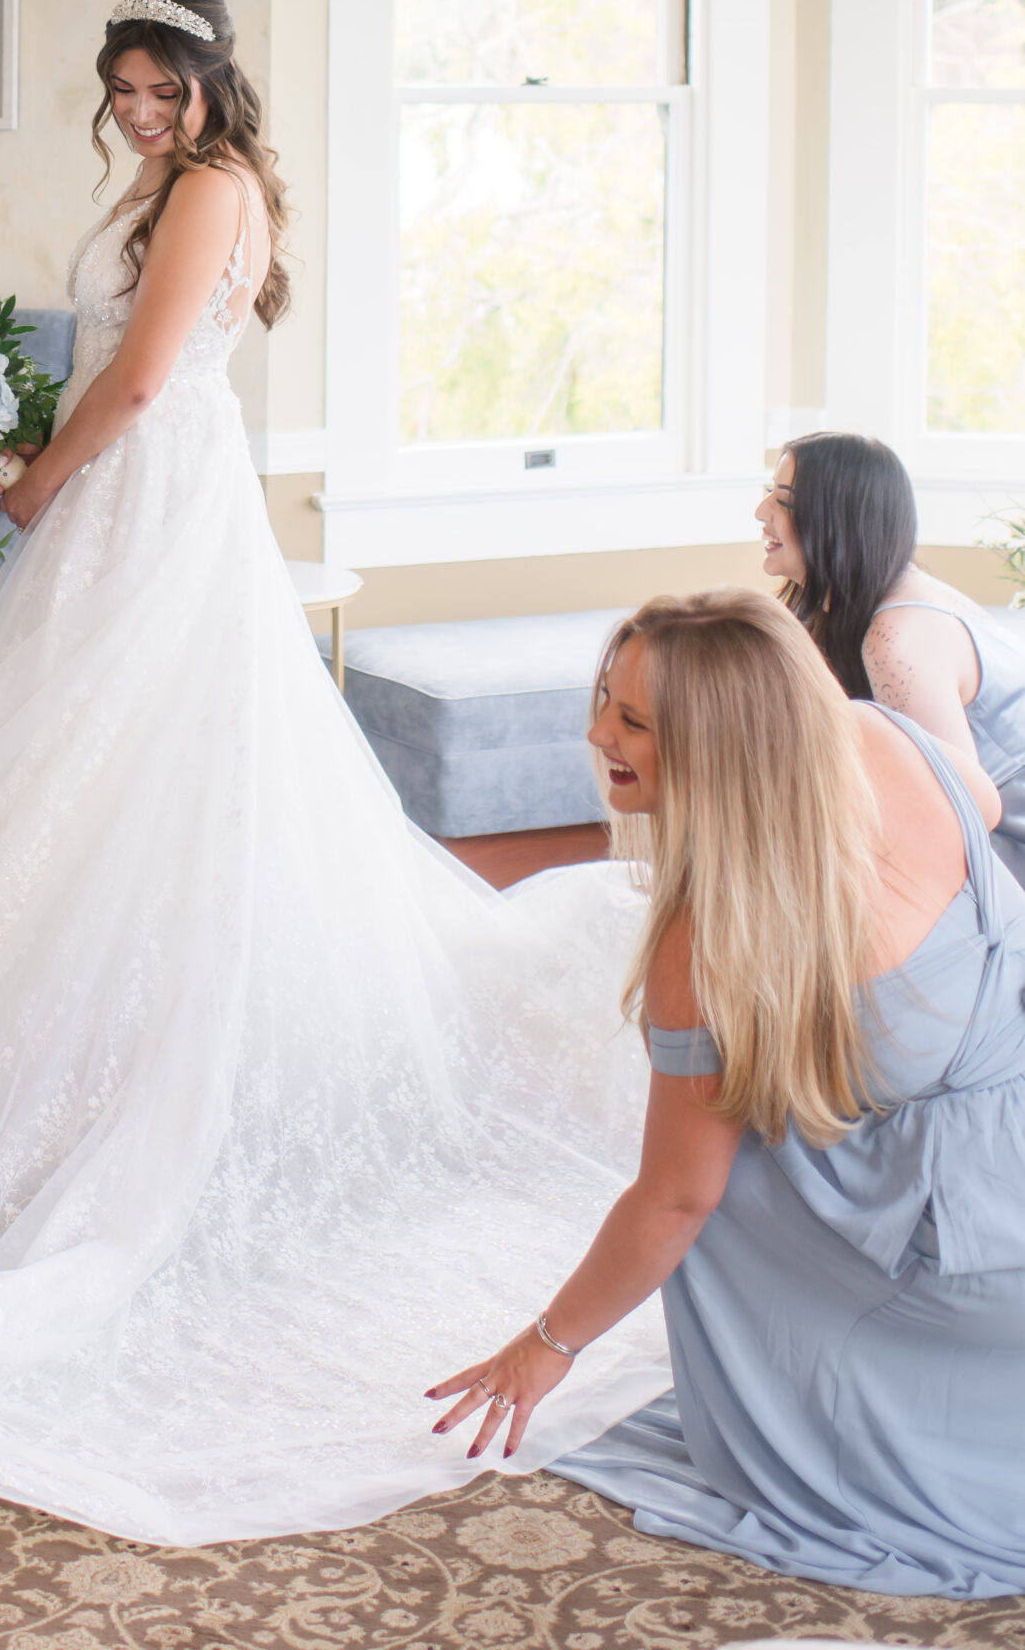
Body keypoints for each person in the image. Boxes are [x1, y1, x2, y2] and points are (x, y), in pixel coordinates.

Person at [0, 0, 670, 1548]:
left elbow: (149, 377)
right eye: (122, 92)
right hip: (136, 504)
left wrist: (34, 480)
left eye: (159, 88)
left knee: (138, 766)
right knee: (59, 778)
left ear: (210, 83)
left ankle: (151, 1029)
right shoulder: (171, 187)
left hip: (151, 507)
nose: (138, 114)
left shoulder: (211, 189)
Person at [430, 589, 1025, 1599]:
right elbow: (985, 811)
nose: (594, 735)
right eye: (602, 700)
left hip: (979, 1258)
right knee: (780, 1102)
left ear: (721, 745)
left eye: (631, 720)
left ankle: (854, 1391)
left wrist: (546, 1346)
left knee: (723, 1167)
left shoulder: (706, 942)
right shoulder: (886, 735)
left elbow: (672, 1201)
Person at [758, 430, 1025, 881]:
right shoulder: (880, 595)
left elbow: (955, 820)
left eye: (784, 501)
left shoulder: (894, 639)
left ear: (836, 520)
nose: (762, 513)